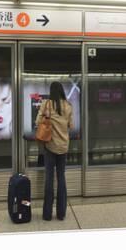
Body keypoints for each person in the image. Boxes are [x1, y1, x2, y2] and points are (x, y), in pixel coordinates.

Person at [35, 82, 74, 221]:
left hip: (50, 147)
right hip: (63, 147)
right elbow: (71, 125)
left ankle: (47, 214)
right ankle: (61, 213)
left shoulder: (46, 104)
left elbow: (37, 122)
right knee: (61, 178)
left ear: (51, 92)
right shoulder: (68, 106)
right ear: (62, 91)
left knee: (49, 179)